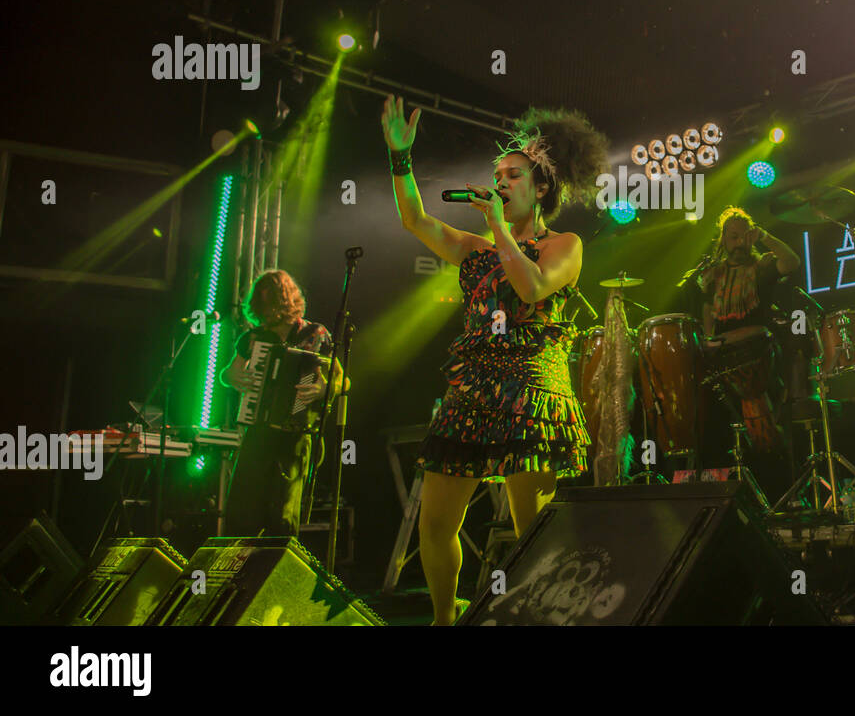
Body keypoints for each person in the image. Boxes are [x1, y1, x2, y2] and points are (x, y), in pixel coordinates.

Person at [382, 95, 608, 625]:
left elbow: (529, 290)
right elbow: (415, 218)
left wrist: (500, 229)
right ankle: (444, 619)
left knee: (533, 529)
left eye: (512, 176)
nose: (500, 183)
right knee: (435, 521)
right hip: (473, 388)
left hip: (531, 388)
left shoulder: (565, 245)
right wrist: (400, 157)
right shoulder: (477, 250)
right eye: (497, 174)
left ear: (541, 187)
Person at [219, 269, 346, 537]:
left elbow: (343, 381)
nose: (265, 310)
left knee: (284, 517)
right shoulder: (253, 338)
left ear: (284, 300)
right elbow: (227, 374)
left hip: (296, 435)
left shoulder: (315, 334)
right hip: (259, 431)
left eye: (269, 302)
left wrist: (323, 388)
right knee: (242, 511)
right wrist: (234, 378)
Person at [693, 207, 801, 496]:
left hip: (758, 356)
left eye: (744, 236)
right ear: (723, 241)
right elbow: (707, 308)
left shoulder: (763, 267)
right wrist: (707, 339)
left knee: (769, 430)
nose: (739, 242)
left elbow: (791, 262)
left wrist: (765, 236)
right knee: (723, 432)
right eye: (732, 237)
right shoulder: (713, 275)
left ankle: (781, 493)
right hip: (721, 359)